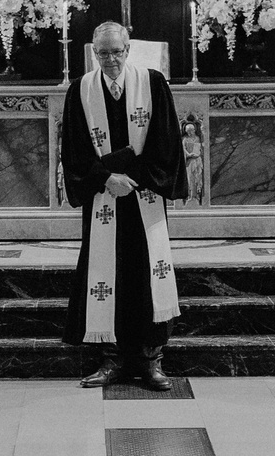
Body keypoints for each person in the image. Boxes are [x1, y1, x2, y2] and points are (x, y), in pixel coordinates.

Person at [57, 22, 185, 390]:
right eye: (102, 53)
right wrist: (106, 179)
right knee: (104, 275)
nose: (110, 59)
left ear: (128, 49)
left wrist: (135, 178)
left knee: (146, 275)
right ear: (93, 53)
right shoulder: (80, 91)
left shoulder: (153, 83)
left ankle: (150, 360)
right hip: (104, 200)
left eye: (116, 51)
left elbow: (167, 144)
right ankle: (110, 359)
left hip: (144, 198)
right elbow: (74, 150)